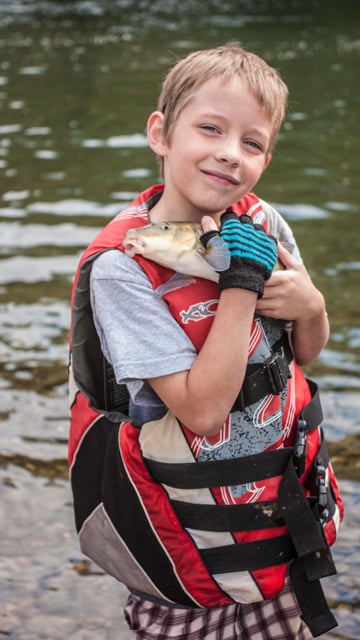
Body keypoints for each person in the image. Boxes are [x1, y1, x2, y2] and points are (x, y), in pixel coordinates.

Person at [68, 43, 344, 639]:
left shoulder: (263, 222)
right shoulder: (123, 269)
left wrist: (313, 305)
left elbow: (302, 352)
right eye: (210, 129)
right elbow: (202, 412)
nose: (228, 154)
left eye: (251, 142)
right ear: (161, 133)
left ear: (266, 159)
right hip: (190, 552)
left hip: (273, 524)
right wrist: (241, 282)